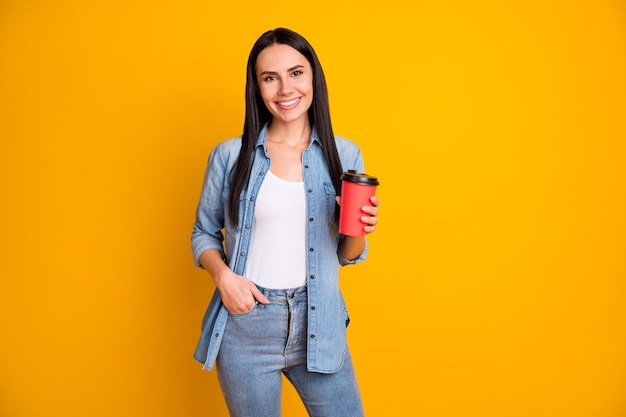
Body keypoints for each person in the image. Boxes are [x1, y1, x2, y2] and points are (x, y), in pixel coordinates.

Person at [191, 27, 380, 417]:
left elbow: (349, 255)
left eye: (296, 73)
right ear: (257, 87)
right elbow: (203, 233)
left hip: (319, 322)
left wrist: (359, 227)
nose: (284, 89)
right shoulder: (230, 156)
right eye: (269, 78)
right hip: (247, 326)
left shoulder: (344, 154)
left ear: (313, 78)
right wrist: (224, 278)